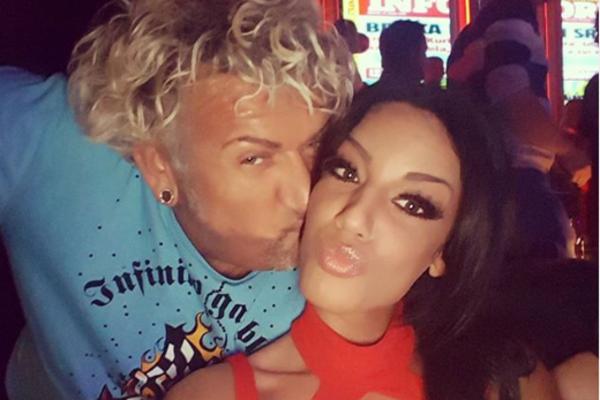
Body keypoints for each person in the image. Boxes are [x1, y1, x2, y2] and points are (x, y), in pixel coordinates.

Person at [0, 0, 355, 398]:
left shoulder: (341, 260)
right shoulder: (60, 152)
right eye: (254, 158)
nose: (304, 194)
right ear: (159, 167)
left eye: (313, 145)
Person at [166, 85, 561, 400]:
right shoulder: (209, 395)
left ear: (444, 250)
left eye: (411, 203)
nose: (354, 216)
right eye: (346, 171)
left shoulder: (504, 383)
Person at [447, 0, 589, 259]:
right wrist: (568, 152)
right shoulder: (511, 12)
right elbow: (509, 91)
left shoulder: (479, 27)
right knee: (546, 271)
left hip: (486, 177)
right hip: (519, 180)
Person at [375, 20, 427, 92]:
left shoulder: (366, 95)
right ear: (412, 54)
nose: (427, 61)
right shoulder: (427, 97)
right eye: (423, 53)